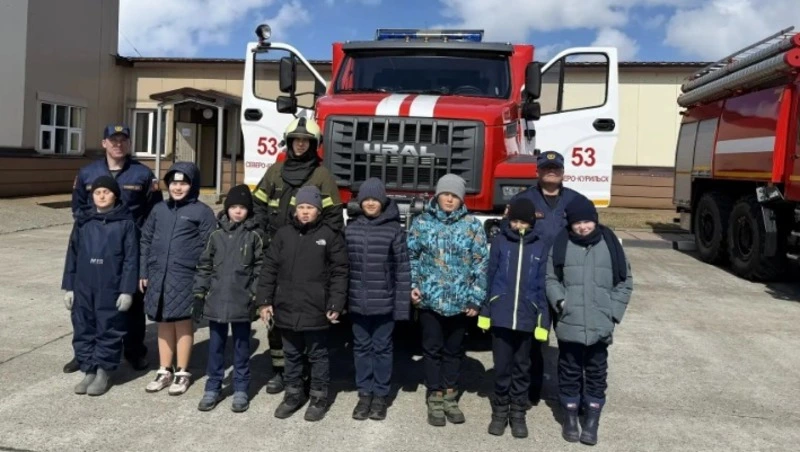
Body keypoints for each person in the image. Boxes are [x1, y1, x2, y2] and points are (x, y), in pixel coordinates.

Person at [251, 117, 344, 394]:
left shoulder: (321, 176)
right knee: (277, 318)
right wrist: (264, 238)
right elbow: (257, 206)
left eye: (306, 141)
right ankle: (280, 371)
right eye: (296, 140)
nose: (301, 144)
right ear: (289, 142)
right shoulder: (275, 172)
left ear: (313, 145)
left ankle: (306, 372)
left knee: (307, 319)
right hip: (276, 253)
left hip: (308, 258)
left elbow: (334, 219)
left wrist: (320, 245)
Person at [65, 124, 162, 374]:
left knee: (132, 300)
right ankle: (86, 353)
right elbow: (78, 207)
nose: (118, 144)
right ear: (104, 143)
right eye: (113, 140)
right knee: (87, 304)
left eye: (123, 140)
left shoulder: (142, 174)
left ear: (129, 144)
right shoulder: (88, 173)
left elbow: (154, 211)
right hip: (95, 243)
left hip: (131, 245)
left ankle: (134, 350)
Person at [255, 186, 348, 422]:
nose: (305, 212)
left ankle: (318, 398)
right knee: (292, 355)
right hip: (286, 305)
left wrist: (336, 303)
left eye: (310, 208)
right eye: (301, 207)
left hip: (316, 307)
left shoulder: (329, 235)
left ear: (318, 210)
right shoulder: (283, 235)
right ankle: (293, 395)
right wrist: (265, 301)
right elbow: (269, 269)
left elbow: (340, 271)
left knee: (317, 355)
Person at [546, 195, 633, 446]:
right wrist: (561, 302)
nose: (582, 227)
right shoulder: (561, 244)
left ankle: (592, 419)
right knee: (569, 370)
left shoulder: (610, 244)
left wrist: (612, 312)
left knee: (596, 371)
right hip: (570, 321)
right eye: (577, 223)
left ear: (595, 220)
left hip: (600, 321)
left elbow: (624, 281)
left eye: (587, 221)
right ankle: (570, 416)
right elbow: (551, 278)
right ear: (570, 225)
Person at [407, 174, 488, 427]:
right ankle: (435, 395)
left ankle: (451, 395)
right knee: (431, 350)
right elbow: (411, 256)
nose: (450, 199)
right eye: (446, 194)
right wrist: (413, 286)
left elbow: (481, 263)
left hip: (460, 302)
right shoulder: (422, 223)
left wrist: (475, 298)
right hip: (430, 300)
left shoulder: (472, 226)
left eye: (454, 195)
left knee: (453, 351)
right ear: (437, 195)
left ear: (461, 198)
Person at [508, 150, 584, 405]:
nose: (551, 171)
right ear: (537, 171)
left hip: (565, 281)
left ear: (563, 171)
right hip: (533, 281)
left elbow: (588, 236)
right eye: (546, 167)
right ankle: (531, 391)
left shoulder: (576, 201)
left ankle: (571, 393)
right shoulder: (523, 200)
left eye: (556, 167)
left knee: (570, 340)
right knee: (532, 339)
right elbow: (509, 237)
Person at [139, 162, 216, 396]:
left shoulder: (201, 212)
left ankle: (182, 371)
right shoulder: (159, 210)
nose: (178, 187)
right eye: (174, 183)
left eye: (183, 183)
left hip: (185, 276)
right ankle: (164, 369)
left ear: (192, 185)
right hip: (158, 275)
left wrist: (204, 277)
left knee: (183, 323)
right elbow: (146, 240)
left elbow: (210, 246)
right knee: (163, 322)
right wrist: (144, 271)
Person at [477, 197, 551, 438]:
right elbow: (490, 276)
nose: (518, 225)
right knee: (502, 367)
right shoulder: (500, 242)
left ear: (531, 223)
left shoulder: (540, 245)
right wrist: (486, 310)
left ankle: (518, 412)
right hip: (501, 315)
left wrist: (543, 320)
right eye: (515, 220)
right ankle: (499, 411)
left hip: (527, 316)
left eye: (523, 221)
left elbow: (543, 285)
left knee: (522, 367)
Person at [61, 176, 138, 396]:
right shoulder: (84, 222)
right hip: (84, 284)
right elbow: (72, 255)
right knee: (83, 326)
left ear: (115, 195)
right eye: (97, 192)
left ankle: (104, 370)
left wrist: (127, 290)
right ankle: (89, 368)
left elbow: (131, 259)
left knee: (108, 326)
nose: (102, 196)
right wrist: (69, 287)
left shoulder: (125, 223)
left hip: (110, 286)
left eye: (106, 192)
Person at [192, 184, 265, 413]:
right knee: (216, 346)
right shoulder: (215, 235)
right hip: (216, 301)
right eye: (233, 207)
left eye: (242, 207)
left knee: (242, 347)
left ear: (248, 211)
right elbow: (204, 266)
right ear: (227, 209)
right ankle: (213, 386)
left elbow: (260, 268)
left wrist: (255, 294)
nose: (237, 211)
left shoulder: (255, 236)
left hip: (241, 301)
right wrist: (199, 295)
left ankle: (241, 387)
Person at [344, 177, 411, 421]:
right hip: (357, 303)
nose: (371, 203)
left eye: (375, 199)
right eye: (366, 199)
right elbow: (343, 269)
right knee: (361, 348)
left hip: (384, 303)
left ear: (383, 201)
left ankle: (380, 395)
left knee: (382, 348)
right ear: (360, 202)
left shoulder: (394, 230)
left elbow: (403, 270)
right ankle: (364, 395)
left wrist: (401, 307)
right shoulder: (350, 229)